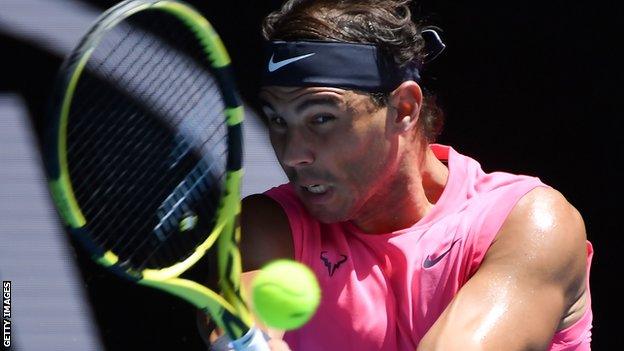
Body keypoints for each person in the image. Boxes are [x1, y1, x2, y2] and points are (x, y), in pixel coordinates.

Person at [208, 0, 594, 350]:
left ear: (404, 108)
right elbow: (243, 325)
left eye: (321, 118)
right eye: (278, 120)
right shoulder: (270, 224)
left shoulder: (529, 223)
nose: (293, 154)